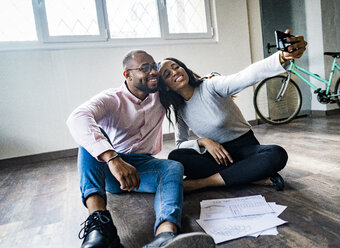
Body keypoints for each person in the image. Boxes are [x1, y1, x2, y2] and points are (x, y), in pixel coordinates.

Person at [66, 50, 215, 248]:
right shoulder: (112, 99)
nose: (153, 72)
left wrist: (207, 82)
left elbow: (183, 83)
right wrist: (113, 159)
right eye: (145, 68)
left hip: (142, 166)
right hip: (112, 171)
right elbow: (77, 118)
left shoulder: (160, 94)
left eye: (153, 66)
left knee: (174, 167)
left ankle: (165, 237)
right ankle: (99, 225)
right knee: (90, 137)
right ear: (127, 74)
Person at [158, 30, 307, 192]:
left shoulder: (210, 85)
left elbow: (246, 76)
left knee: (277, 154)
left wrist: (281, 57)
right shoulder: (180, 110)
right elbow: (180, 145)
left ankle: (204, 182)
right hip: (219, 156)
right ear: (165, 86)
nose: (175, 72)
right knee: (176, 157)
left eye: (176, 67)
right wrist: (203, 141)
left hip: (246, 148)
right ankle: (250, 176)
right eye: (167, 74)